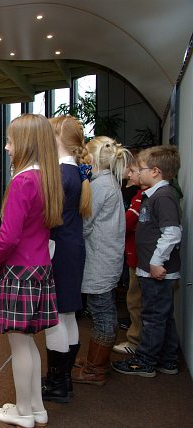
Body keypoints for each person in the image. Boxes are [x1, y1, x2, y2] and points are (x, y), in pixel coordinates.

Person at [0, 114, 63, 428]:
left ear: (26, 143)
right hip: (40, 268)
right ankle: (35, 408)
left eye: (10, 141)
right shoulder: (47, 178)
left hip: (19, 271)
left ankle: (22, 412)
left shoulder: (23, 181)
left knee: (19, 345)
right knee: (29, 342)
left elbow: (9, 236)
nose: (6, 147)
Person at [112, 145, 182, 377]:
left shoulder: (163, 197)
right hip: (150, 268)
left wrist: (156, 262)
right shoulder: (154, 195)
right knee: (163, 316)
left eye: (140, 169)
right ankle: (168, 359)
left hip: (156, 270)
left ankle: (146, 361)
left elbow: (172, 232)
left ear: (155, 171)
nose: (136, 173)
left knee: (152, 317)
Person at [71, 136, 131, 386]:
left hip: (100, 260)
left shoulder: (99, 187)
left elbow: (85, 224)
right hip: (108, 258)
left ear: (92, 159)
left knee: (102, 313)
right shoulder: (110, 183)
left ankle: (95, 369)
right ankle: (98, 361)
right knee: (105, 311)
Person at [41, 116, 91, 403]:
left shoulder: (61, 174)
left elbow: (48, 217)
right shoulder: (75, 172)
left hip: (59, 250)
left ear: (58, 137)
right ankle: (64, 379)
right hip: (72, 248)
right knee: (67, 315)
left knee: (56, 318)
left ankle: (57, 383)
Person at [113, 159, 146, 355]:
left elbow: (127, 222)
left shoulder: (141, 197)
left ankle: (135, 342)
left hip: (139, 258)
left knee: (135, 301)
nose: (130, 174)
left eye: (133, 171)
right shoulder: (140, 195)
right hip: (137, 257)